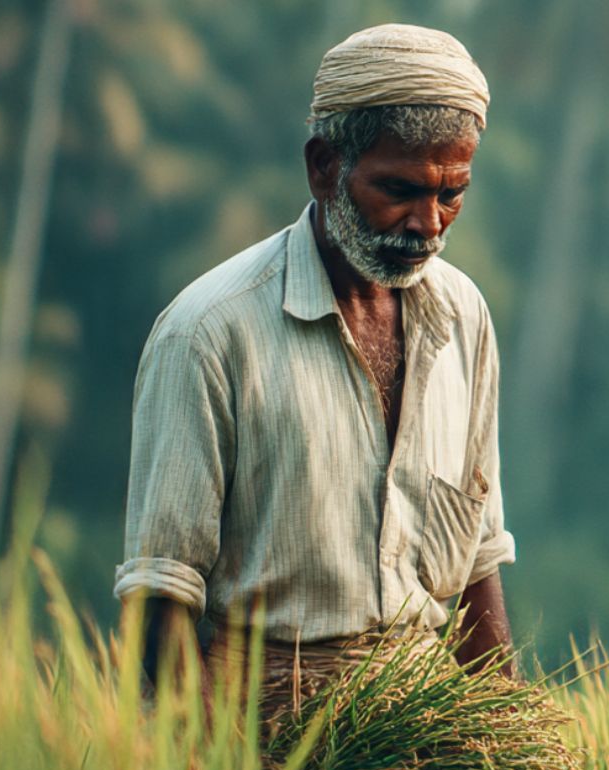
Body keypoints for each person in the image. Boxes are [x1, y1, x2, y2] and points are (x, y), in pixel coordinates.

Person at [114, 24, 517, 716]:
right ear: (324, 167)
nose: (429, 223)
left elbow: (479, 562)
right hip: (257, 726)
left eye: (452, 193)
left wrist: (510, 750)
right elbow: (163, 599)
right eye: (400, 189)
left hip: (419, 729)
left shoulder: (465, 318)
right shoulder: (210, 333)